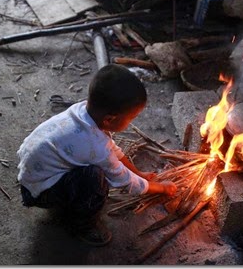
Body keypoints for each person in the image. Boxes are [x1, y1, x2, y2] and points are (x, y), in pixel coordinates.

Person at [17, 64, 177, 246]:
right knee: (95, 179)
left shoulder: (82, 111)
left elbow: (114, 150)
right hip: (39, 193)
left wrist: (140, 174)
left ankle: (64, 197)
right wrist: (161, 188)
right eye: (132, 117)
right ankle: (82, 225)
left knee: (89, 169)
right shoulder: (95, 146)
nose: (133, 121)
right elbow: (125, 181)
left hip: (34, 175)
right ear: (109, 119)